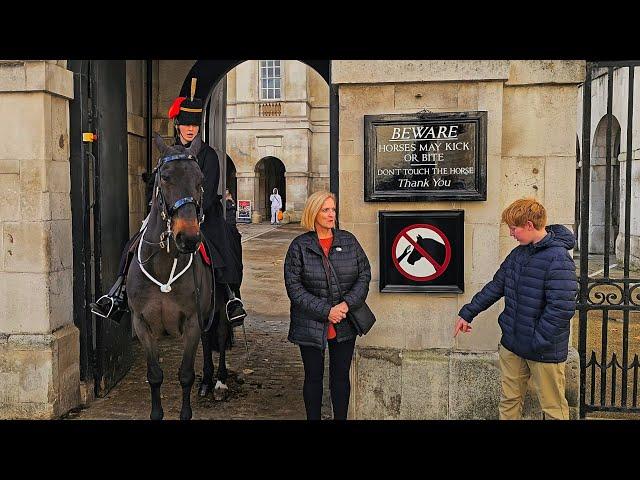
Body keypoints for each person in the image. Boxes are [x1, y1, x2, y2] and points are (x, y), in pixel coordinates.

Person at [90, 78, 247, 326]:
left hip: (203, 214)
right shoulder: (169, 154)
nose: (190, 129)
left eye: (194, 125)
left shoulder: (209, 156)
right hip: (170, 216)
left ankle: (229, 298)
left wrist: (192, 213)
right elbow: (160, 186)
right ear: (178, 125)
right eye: (185, 124)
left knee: (221, 244)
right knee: (134, 245)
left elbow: (209, 188)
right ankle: (118, 293)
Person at [454, 198, 578, 420]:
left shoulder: (559, 259)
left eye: (514, 228)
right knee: (509, 402)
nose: (511, 233)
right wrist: (468, 313)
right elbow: (496, 286)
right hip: (512, 344)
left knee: (553, 408)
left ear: (529, 225)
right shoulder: (518, 254)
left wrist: (537, 340)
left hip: (544, 350)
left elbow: (561, 309)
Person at [284, 190, 371, 420]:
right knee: (313, 377)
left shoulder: (348, 241)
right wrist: (326, 311)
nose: (331, 214)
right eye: (326, 210)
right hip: (311, 323)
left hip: (344, 321)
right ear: (314, 213)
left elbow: (364, 275)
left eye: (333, 209)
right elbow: (295, 288)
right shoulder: (299, 247)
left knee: (341, 377)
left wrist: (344, 306)